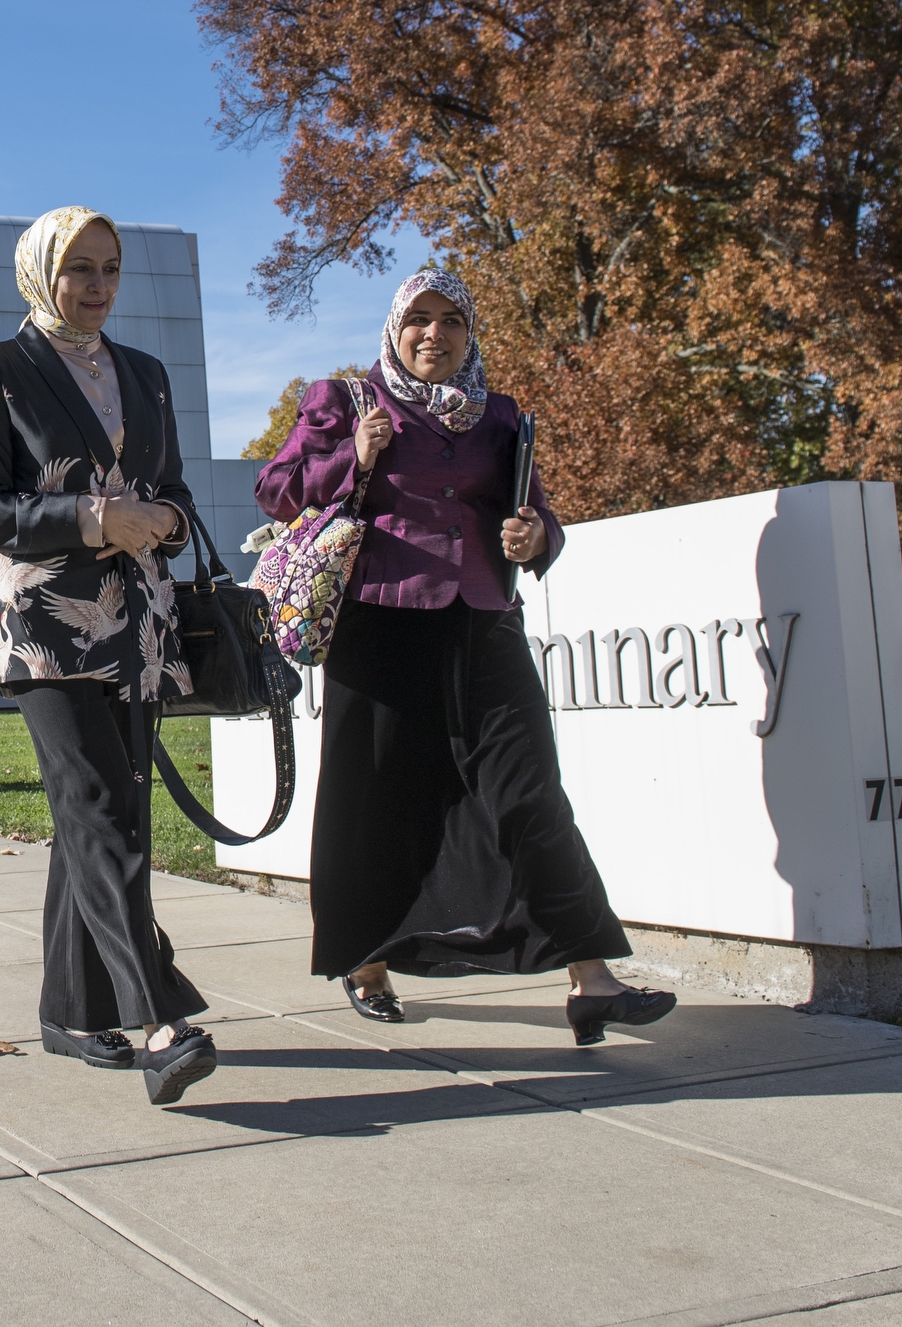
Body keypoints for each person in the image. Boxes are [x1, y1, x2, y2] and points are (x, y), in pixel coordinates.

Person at [254, 268, 675, 1047]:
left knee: (532, 793)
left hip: (485, 623)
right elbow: (276, 491)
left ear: (470, 333)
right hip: (379, 627)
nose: (435, 334)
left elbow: (536, 513)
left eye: (452, 320)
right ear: (394, 327)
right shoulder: (343, 402)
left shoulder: (502, 415)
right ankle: (368, 961)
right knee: (375, 799)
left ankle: (591, 979)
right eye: (420, 318)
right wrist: (354, 455)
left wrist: (536, 538)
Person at [0, 206, 218, 1107]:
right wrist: (93, 519)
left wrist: (166, 521)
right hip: (45, 622)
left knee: (96, 816)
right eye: (79, 270)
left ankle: (69, 1010)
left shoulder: (145, 374)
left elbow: (174, 491)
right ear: (40, 274)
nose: (96, 286)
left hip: (136, 621)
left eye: (109, 270)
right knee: (102, 808)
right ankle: (159, 1019)